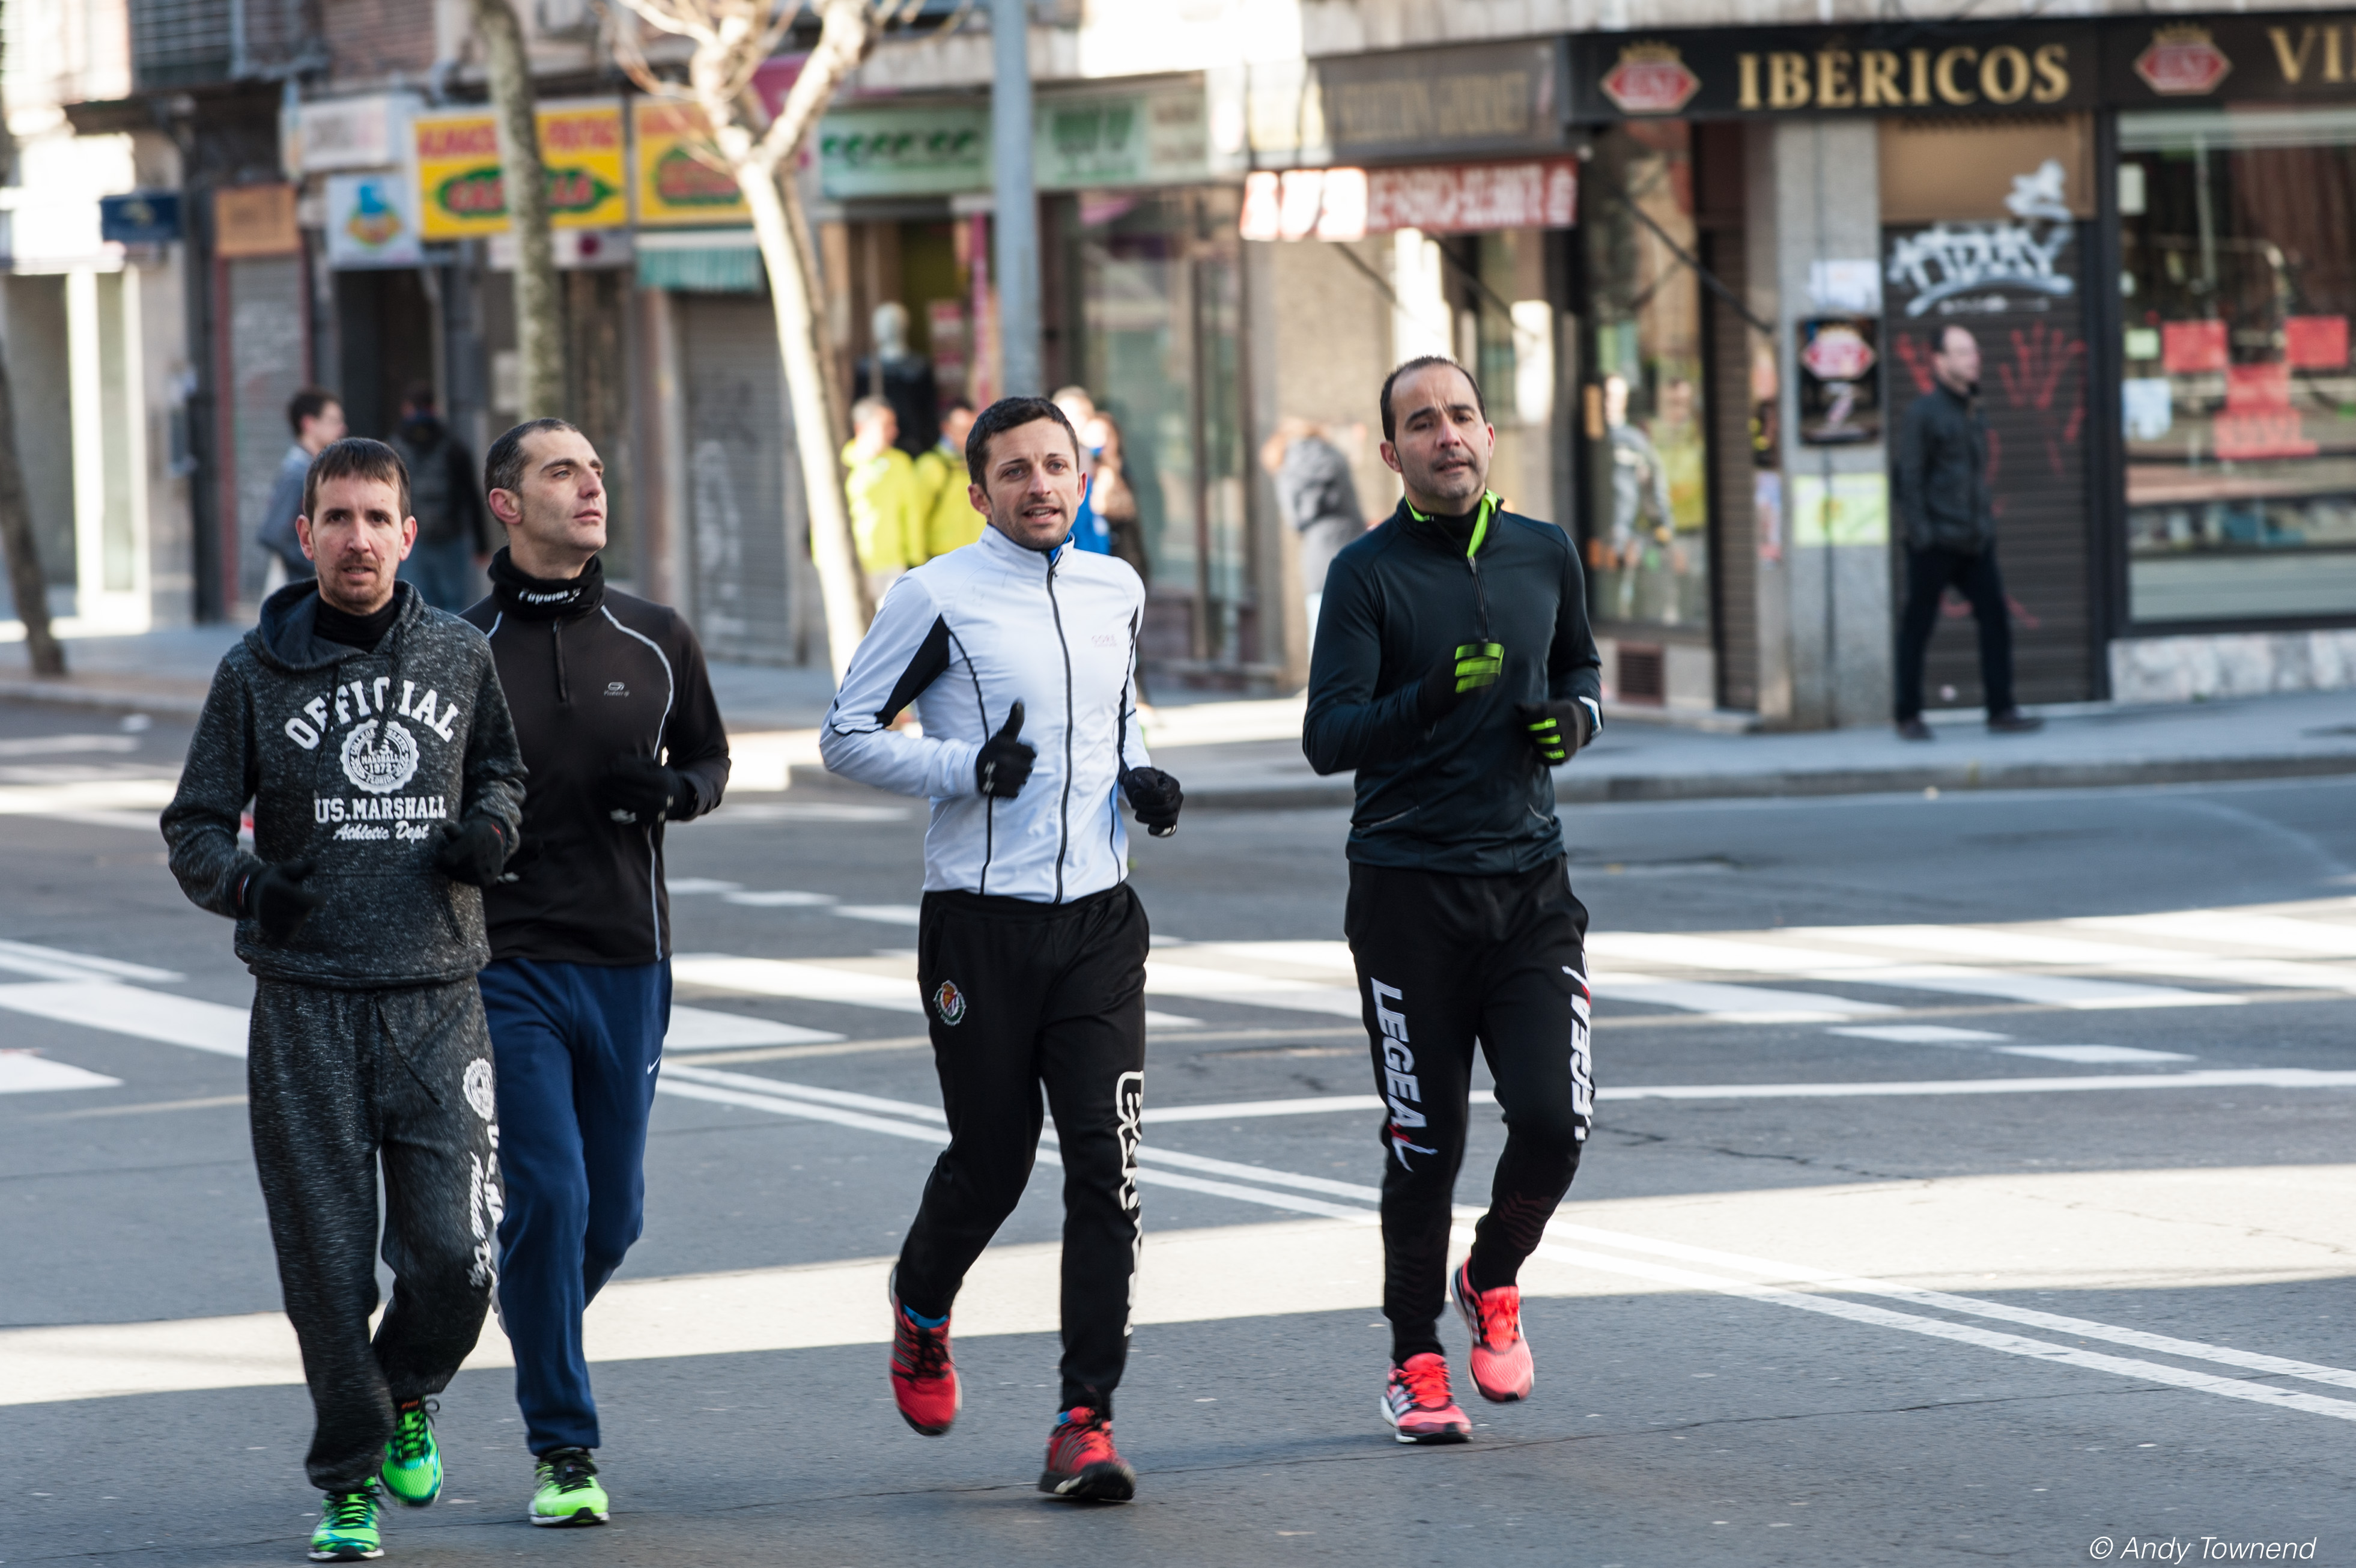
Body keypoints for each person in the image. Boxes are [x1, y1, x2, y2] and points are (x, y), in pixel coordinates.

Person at [162, 438, 526, 1563]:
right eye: (337, 518)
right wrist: (246, 886)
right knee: (325, 1268)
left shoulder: (459, 655)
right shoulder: (251, 673)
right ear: (306, 534)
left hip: (438, 998)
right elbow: (194, 824)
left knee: (459, 1258)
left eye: (377, 518)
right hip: (306, 1007)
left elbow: (502, 772)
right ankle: (348, 1478)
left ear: (410, 536)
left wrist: (492, 830)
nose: (357, 538)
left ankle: (406, 1386)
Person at [819, 395, 1185, 1504]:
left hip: (1099, 923)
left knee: (1107, 1172)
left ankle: (1085, 1420)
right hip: (979, 926)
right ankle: (921, 1301)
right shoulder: (934, 595)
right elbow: (845, 735)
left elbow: (1115, 714)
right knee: (993, 1159)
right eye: (1015, 471)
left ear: (1083, 476)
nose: (1040, 485)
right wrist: (963, 768)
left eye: (1056, 465)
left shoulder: (1114, 587)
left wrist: (1140, 775)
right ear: (979, 493)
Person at [1301, 356, 1602, 1447]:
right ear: (1393, 453)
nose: (1448, 435)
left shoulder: (1544, 551)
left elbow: (1581, 671)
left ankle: (1492, 1274)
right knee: (1425, 1143)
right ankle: (1413, 1358)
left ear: (1487, 432)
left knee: (1556, 1123)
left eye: (1462, 415)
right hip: (1407, 897)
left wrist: (1574, 723)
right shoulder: (1364, 574)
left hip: (1530, 889)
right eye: (1423, 422)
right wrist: (1428, 696)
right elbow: (1327, 738)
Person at [459, 418, 731, 1528]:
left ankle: (523, 1316)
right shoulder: (457, 647)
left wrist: (679, 794)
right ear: (506, 503)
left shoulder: (655, 638)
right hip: (504, 961)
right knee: (552, 1194)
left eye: (596, 470)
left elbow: (709, 757)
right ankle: (563, 1448)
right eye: (561, 471)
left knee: (610, 1219)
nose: (590, 485)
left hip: (628, 957)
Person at [1893, 325, 2043, 741]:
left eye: (1973, 351)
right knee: (1918, 627)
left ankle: (2001, 710)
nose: (1973, 359)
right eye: (1961, 352)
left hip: (1975, 541)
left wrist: (1984, 527)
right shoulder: (1924, 413)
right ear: (1939, 361)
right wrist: (1923, 536)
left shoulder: (1973, 407)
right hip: (1936, 542)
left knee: (1995, 620)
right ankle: (1908, 714)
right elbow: (1909, 478)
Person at [391, 385, 493, 612]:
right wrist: (482, 545)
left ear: (406, 408)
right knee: (454, 606)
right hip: (451, 538)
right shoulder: (453, 444)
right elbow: (471, 495)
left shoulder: (395, 447)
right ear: (434, 407)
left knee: (415, 605)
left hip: (413, 539)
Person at [1262, 418, 1365, 634]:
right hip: (1358, 555)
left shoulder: (1288, 468)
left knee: (1323, 636)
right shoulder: (1334, 456)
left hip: (1320, 561)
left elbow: (1295, 518)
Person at [259, 387, 347, 594]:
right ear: (309, 424)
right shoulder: (298, 473)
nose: (342, 429)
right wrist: (315, 559)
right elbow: (272, 533)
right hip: (300, 586)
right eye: (333, 421)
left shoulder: (309, 469)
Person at [844, 397, 926, 598]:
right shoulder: (843, 464)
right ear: (861, 428)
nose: (894, 432)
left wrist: (915, 559)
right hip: (853, 563)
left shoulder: (900, 463)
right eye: (886, 425)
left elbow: (911, 513)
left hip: (893, 565)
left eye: (893, 425)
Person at [913, 400, 986, 559]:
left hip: (979, 556)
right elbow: (915, 518)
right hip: (942, 558)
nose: (970, 437)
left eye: (973, 430)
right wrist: (917, 561)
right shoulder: (931, 466)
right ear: (946, 428)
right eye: (964, 430)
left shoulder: (981, 465)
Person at [1051, 386, 1114, 556]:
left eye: (1088, 416)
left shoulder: (1103, 459)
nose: (1083, 423)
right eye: (1076, 416)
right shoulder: (1046, 468)